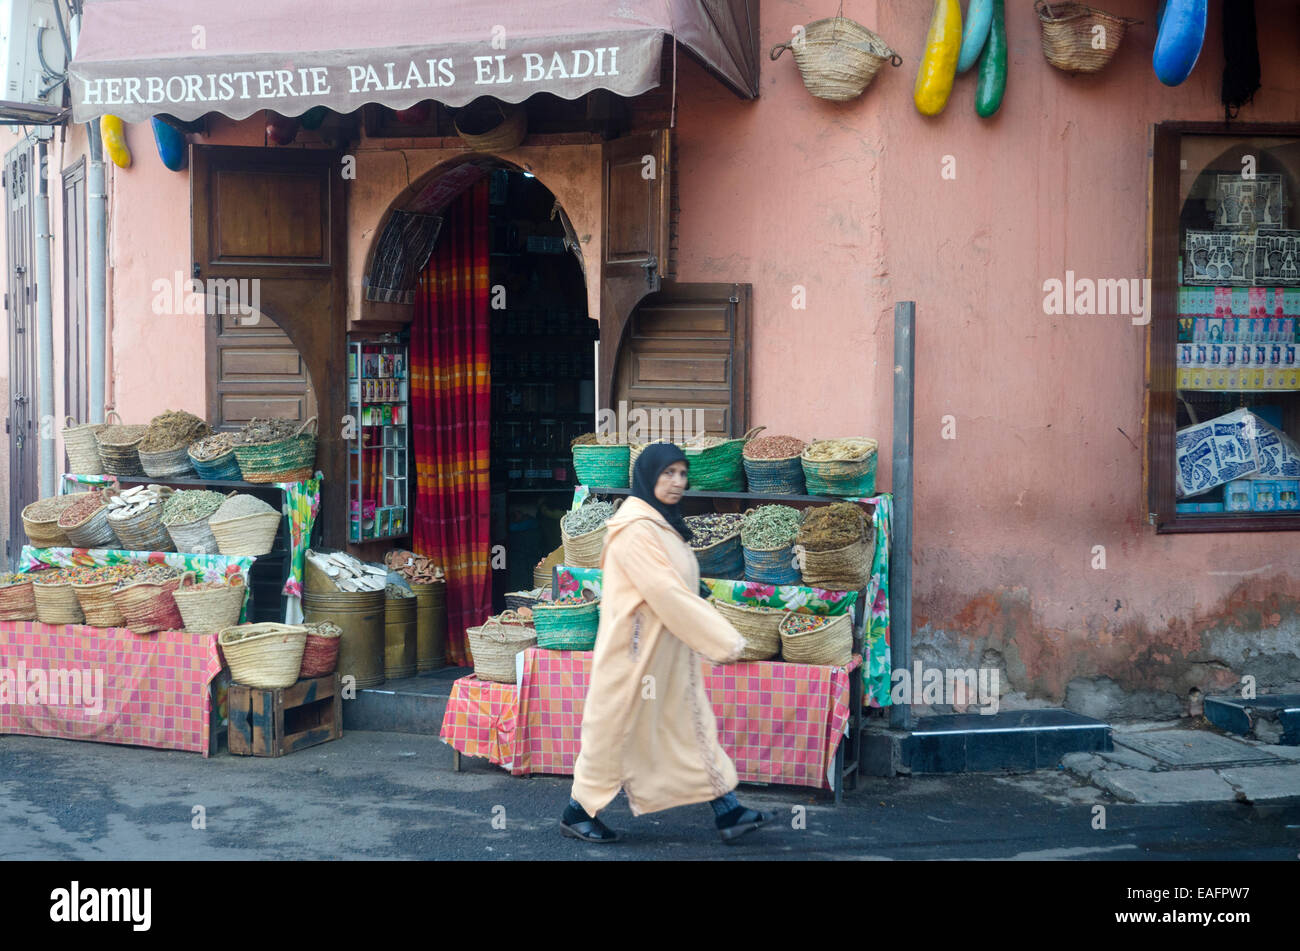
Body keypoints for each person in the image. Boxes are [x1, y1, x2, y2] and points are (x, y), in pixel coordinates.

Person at [560, 443, 771, 844]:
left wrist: (703, 595)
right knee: (613, 737)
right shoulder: (635, 529)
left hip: (665, 655)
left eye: (681, 473)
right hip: (633, 658)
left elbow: (677, 580)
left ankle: (729, 813)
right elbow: (663, 590)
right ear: (647, 477)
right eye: (667, 474)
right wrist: (722, 639)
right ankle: (577, 811)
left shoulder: (660, 522)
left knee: (689, 728)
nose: (677, 482)